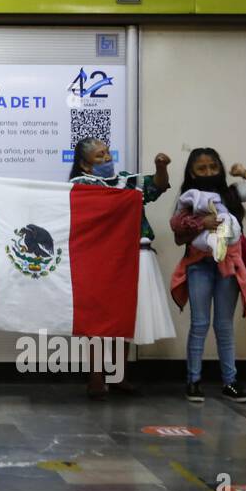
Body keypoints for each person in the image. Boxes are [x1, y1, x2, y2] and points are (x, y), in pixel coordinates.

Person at [69, 137, 173, 399]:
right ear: (85, 164)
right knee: (99, 321)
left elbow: (158, 186)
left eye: (106, 153)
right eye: (99, 156)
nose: (106, 159)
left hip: (137, 255)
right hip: (102, 260)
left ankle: (118, 377)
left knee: (127, 318)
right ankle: (95, 379)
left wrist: (161, 167)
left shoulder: (128, 182)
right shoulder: (79, 186)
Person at [168, 149, 246, 403]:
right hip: (198, 265)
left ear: (220, 169)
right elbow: (178, 235)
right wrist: (200, 225)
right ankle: (193, 381)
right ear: (191, 173)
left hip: (229, 265)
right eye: (201, 168)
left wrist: (243, 172)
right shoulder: (188, 199)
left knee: (224, 326)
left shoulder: (231, 193)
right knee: (200, 324)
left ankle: (230, 382)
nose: (208, 173)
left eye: (213, 167)